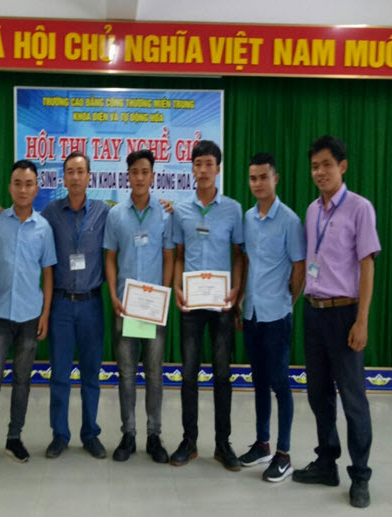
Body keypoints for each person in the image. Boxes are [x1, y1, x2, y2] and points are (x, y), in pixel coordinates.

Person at [291, 135, 381, 509]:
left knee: (353, 399)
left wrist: (362, 321)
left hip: (345, 313)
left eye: (326, 165)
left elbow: (367, 265)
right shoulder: (312, 211)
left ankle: (360, 475)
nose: (320, 172)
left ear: (342, 166)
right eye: (314, 166)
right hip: (314, 312)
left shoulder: (360, 208)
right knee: (318, 394)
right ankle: (327, 462)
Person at [0, 159, 56, 466]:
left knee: (22, 379)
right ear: (10, 187)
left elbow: (48, 274)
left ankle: (14, 437)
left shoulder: (44, 228)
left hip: (30, 316)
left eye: (29, 184)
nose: (23, 189)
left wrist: (45, 314)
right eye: (17, 183)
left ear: (36, 189)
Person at [170, 140, 244, 471]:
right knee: (188, 373)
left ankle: (223, 444)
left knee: (222, 374)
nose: (203, 170)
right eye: (198, 164)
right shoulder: (181, 211)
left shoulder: (233, 209)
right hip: (191, 304)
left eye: (209, 164)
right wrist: (176, 287)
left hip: (222, 304)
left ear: (218, 168)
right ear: (192, 169)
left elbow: (239, 255)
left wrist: (236, 290)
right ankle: (189, 442)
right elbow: (178, 255)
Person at [236, 153, 305, 482]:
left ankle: (284, 453)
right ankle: (262, 444)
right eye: (253, 178)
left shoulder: (290, 220)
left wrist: (287, 301)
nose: (258, 183)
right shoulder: (247, 218)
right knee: (259, 381)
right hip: (251, 314)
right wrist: (241, 302)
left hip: (277, 315)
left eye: (263, 177)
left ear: (275, 179)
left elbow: (299, 267)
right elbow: (246, 261)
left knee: (280, 384)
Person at [103, 149, 174, 463]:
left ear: (153, 176)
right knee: (126, 373)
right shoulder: (116, 215)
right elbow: (109, 258)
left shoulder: (165, 214)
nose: (140, 177)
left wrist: (165, 295)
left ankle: (154, 435)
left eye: (145, 172)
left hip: (154, 309)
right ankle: (128, 434)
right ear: (127, 176)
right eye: (135, 172)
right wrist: (113, 296)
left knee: (155, 374)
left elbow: (170, 257)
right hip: (126, 307)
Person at [40, 152, 110, 459]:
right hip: (61, 305)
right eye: (70, 171)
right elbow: (28, 224)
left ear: (89, 176)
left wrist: (166, 207)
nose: (76, 177)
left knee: (91, 374)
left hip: (92, 304)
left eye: (81, 171)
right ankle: (60, 434)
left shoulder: (104, 212)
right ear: (64, 178)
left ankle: (90, 433)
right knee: (60, 374)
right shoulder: (51, 213)